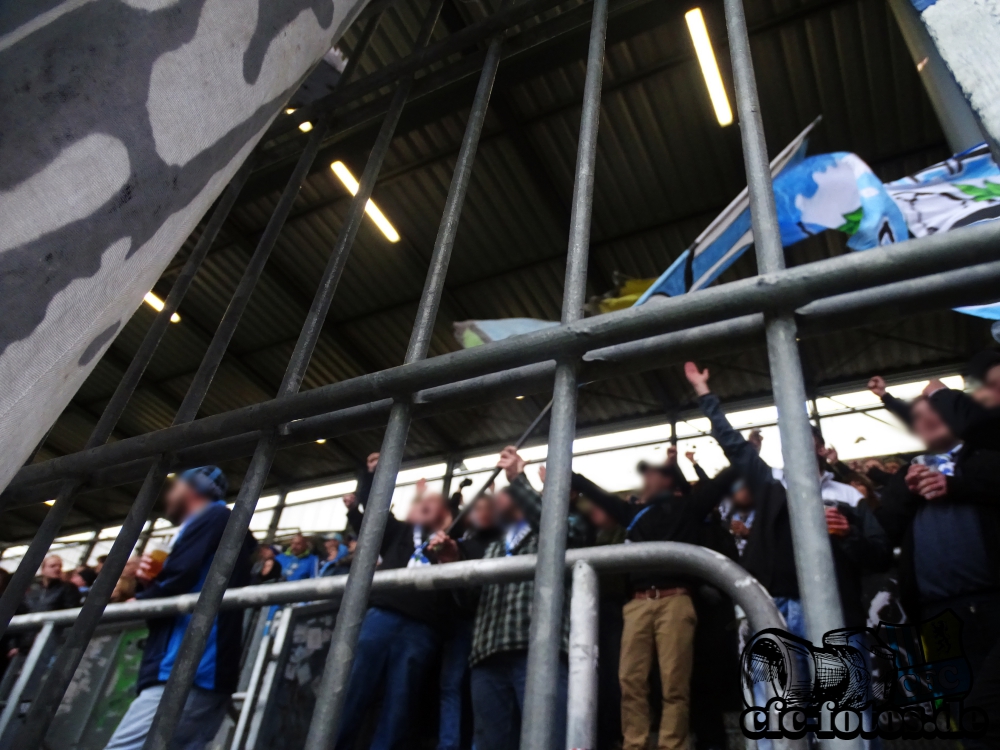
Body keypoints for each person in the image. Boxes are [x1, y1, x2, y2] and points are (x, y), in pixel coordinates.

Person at [684, 362, 892, 629]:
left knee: (839, 674)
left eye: (802, 437)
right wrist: (703, 391)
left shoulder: (847, 494)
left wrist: (848, 535)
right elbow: (733, 443)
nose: (793, 443)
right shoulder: (772, 483)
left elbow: (880, 553)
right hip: (775, 611)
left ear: (820, 449)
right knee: (780, 674)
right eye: (788, 439)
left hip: (839, 612)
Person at [570, 449, 739, 750]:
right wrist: (570, 474)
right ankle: (634, 744)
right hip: (636, 604)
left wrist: (744, 448)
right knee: (629, 680)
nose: (647, 477)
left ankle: (672, 746)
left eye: (655, 473)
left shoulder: (689, 506)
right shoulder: (634, 513)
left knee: (674, 683)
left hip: (675, 600)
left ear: (669, 480)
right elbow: (599, 495)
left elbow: (721, 481)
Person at [874, 388, 1000, 749]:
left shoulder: (983, 456)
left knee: (989, 707)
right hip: (936, 616)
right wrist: (906, 490)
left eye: (936, 411)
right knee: (965, 715)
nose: (925, 418)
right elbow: (886, 529)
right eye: (919, 415)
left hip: (992, 603)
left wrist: (954, 483)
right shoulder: (907, 473)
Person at [103, 466, 255, 750]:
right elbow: (184, 580)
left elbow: (180, 578)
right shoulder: (211, 524)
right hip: (196, 670)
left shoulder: (213, 515)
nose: (170, 494)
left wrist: (142, 600)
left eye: (175, 487)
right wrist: (151, 583)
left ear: (192, 488)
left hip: (187, 668)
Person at [460, 447, 589, 750]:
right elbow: (470, 602)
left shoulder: (571, 523)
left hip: (539, 650)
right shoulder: (494, 546)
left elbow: (558, 531)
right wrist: (450, 562)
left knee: (545, 740)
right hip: (487, 655)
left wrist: (520, 479)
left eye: (512, 492)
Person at [335, 453, 454, 750]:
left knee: (399, 703)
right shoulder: (399, 532)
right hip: (381, 617)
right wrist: (371, 476)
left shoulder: (453, 540)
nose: (425, 505)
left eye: (434, 503)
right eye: (421, 502)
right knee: (350, 690)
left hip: (423, 628)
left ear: (447, 514)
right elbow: (373, 510)